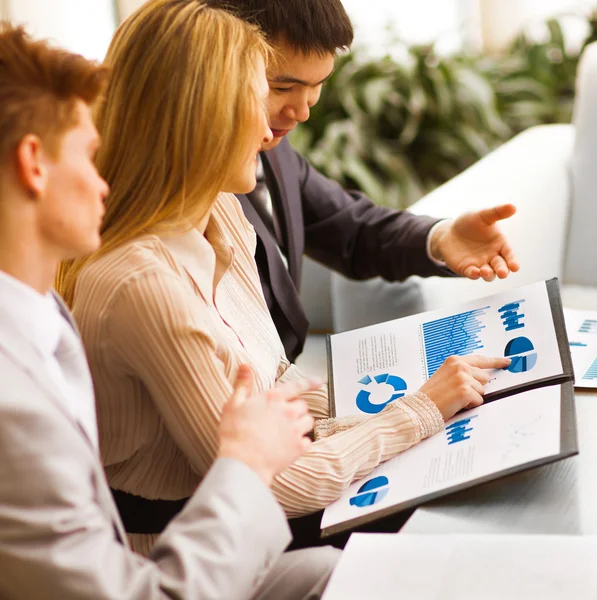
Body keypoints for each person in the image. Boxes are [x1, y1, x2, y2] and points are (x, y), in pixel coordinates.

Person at [56, 0, 511, 555]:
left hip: (251, 510)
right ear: (199, 112)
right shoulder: (139, 282)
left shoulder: (221, 212)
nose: (287, 123)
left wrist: (415, 405)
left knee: (478, 488)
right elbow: (273, 480)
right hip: (192, 550)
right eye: (270, 92)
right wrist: (414, 412)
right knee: (458, 532)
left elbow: (274, 395)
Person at [0, 21, 341, 600]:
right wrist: (246, 463)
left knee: (343, 573)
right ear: (35, 164)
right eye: (88, 152)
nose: (103, 180)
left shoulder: (43, 315)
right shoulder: (16, 408)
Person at [204, 0, 521, 363]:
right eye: (281, 88)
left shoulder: (274, 149)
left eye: (317, 85)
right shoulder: (181, 201)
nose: (302, 111)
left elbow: (350, 228)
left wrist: (440, 238)